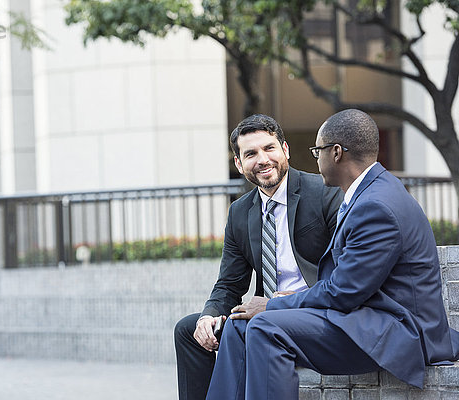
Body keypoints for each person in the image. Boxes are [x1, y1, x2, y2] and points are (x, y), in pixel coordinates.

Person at [206, 109, 459, 400]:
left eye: (318, 151)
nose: (316, 159)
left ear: (336, 153)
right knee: (239, 325)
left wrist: (276, 306)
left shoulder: (376, 206)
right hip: (362, 320)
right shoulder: (367, 194)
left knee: (265, 326)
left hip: (397, 333)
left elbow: (343, 292)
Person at [173, 114, 343, 400]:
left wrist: (282, 301)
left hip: (314, 308)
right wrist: (209, 315)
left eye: (269, 148)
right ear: (239, 164)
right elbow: (229, 284)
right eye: (250, 154)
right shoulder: (240, 212)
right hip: (265, 313)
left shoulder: (324, 192)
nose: (262, 159)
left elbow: (343, 273)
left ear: (285, 150)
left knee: (241, 326)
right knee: (189, 331)